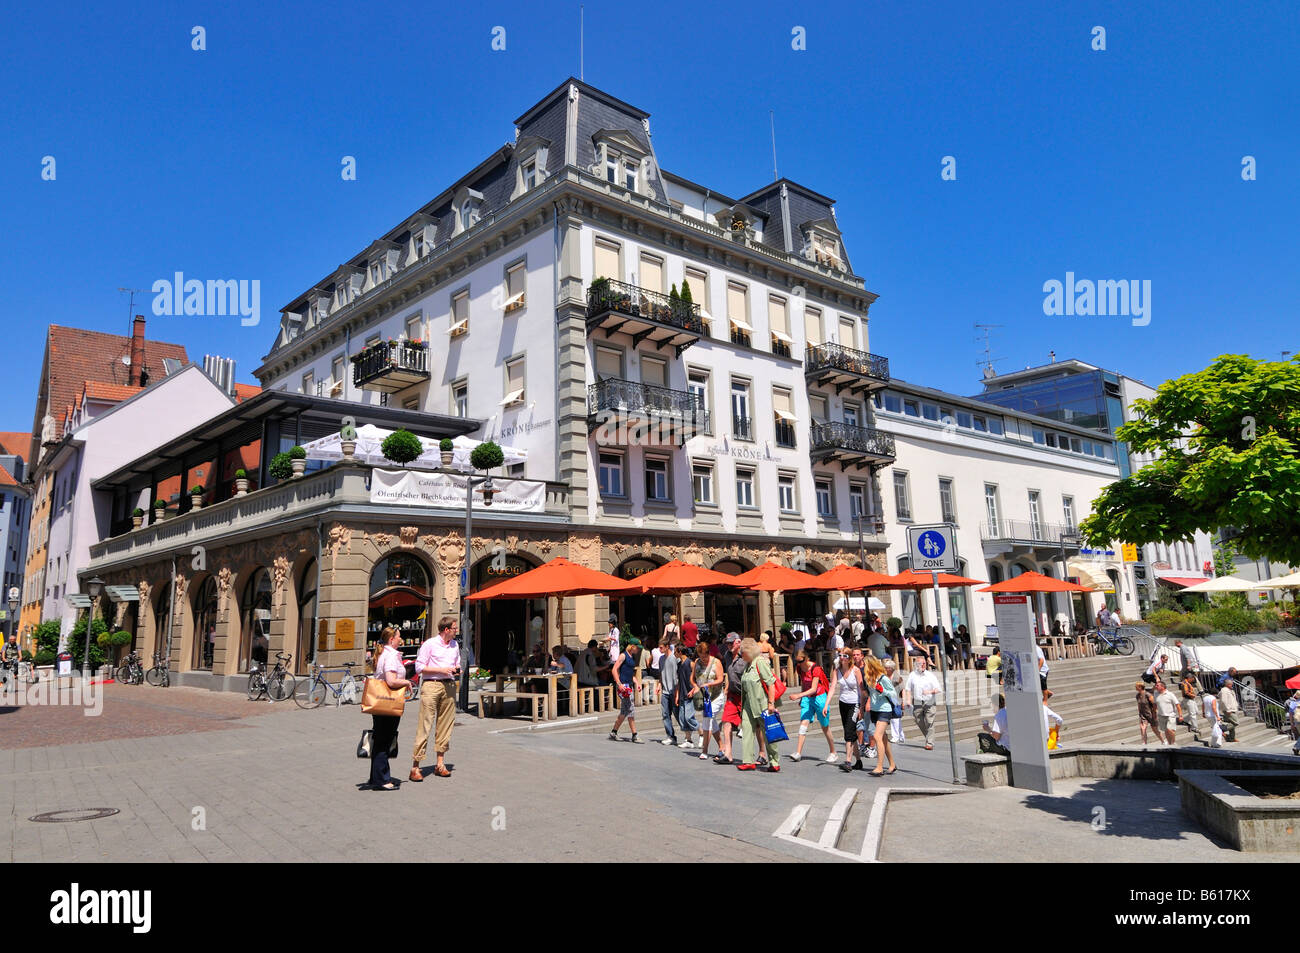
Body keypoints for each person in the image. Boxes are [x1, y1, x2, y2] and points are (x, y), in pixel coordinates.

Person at [410, 617, 460, 782]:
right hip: (432, 685)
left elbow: (457, 663)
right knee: (425, 725)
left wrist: (456, 670)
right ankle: (415, 766)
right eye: (454, 628)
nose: (456, 630)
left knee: (445, 726)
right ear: (446, 629)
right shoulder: (430, 644)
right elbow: (419, 667)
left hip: (449, 686)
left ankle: (440, 764)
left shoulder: (455, 645)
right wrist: (441, 669)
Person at [367, 627, 411, 791]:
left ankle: (375, 777)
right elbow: (391, 681)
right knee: (384, 740)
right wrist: (407, 682)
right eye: (399, 637)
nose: (401, 639)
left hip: (381, 703)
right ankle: (382, 780)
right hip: (388, 703)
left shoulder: (385, 654)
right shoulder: (391, 656)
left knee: (380, 739)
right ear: (392, 639)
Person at [736, 638, 780, 772]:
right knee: (747, 732)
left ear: (749, 651)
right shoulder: (748, 664)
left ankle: (774, 761)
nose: (740, 655)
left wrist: (771, 704)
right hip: (748, 705)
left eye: (742, 652)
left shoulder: (759, 662)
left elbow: (771, 683)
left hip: (762, 704)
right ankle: (748, 760)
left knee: (768, 733)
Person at [788, 651, 836, 763]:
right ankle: (798, 752)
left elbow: (813, 688)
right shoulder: (800, 669)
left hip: (819, 697)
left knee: (825, 726)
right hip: (807, 698)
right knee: (803, 723)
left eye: (801, 661)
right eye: (797, 661)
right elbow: (804, 684)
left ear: (806, 658)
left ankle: (833, 751)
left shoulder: (816, 668)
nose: (799, 663)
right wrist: (801, 698)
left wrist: (798, 695)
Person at [863, 656, 899, 776]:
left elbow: (893, 693)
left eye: (865, 665)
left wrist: (882, 690)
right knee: (883, 738)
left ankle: (879, 767)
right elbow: (870, 694)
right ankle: (892, 764)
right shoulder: (869, 678)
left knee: (877, 736)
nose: (863, 667)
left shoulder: (883, 678)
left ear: (870, 665)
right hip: (874, 710)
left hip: (885, 709)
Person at [713, 634, 746, 765]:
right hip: (733, 695)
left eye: (732, 643)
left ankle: (762, 753)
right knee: (726, 721)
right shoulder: (727, 655)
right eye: (727, 643)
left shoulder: (746, 655)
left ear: (739, 642)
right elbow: (730, 674)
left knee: (756, 726)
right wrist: (727, 687)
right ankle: (728, 754)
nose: (729, 646)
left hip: (746, 695)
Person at [690, 641, 724, 760]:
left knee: (707, 718)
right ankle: (721, 747)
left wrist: (710, 683)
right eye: (700, 656)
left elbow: (720, 678)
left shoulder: (716, 662)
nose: (702, 659)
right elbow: (692, 678)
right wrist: (695, 686)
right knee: (711, 721)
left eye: (704, 656)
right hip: (704, 697)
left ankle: (704, 750)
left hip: (716, 696)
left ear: (708, 653)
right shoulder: (697, 662)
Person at [833, 649, 865, 772]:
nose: (842, 657)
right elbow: (832, 688)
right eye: (840, 655)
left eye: (845, 655)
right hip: (843, 703)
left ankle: (848, 761)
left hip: (854, 703)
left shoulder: (856, 671)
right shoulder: (837, 671)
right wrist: (826, 705)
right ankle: (858, 761)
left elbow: (862, 691)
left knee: (848, 731)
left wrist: (861, 708)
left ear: (849, 657)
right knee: (851, 733)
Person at [902, 656, 942, 750]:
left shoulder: (930, 675)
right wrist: (907, 700)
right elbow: (908, 689)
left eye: (924, 663)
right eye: (921, 663)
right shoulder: (912, 675)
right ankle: (929, 737)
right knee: (918, 720)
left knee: (929, 721)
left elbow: (938, 689)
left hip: (929, 701)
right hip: (917, 701)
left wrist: (930, 692)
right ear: (916, 665)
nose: (923, 665)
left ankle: (930, 742)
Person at [607, 638, 642, 742]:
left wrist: (636, 682)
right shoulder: (623, 655)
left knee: (626, 710)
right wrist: (619, 684)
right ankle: (634, 735)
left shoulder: (631, 657)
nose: (638, 650)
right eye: (637, 648)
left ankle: (614, 732)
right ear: (632, 646)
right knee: (630, 709)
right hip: (623, 686)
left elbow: (629, 673)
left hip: (628, 685)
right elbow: (614, 669)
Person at [671, 644, 699, 748]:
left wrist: (694, 688)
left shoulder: (690, 663)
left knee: (688, 717)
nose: (674, 653)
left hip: (690, 693)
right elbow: (679, 681)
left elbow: (698, 678)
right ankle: (689, 740)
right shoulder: (679, 664)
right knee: (682, 718)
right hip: (682, 693)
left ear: (679, 651)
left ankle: (701, 733)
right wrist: (677, 694)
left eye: (675, 651)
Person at [659, 636, 682, 746]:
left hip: (674, 690)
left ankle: (688, 734)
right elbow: (661, 673)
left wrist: (677, 691)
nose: (660, 650)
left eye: (661, 647)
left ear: (667, 647)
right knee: (665, 714)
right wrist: (659, 684)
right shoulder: (661, 659)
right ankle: (671, 736)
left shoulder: (674, 658)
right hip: (665, 691)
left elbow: (678, 675)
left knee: (677, 714)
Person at [1153, 681, 1183, 746]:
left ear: (1162, 687)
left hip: (1170, 715)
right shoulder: (1155, 694)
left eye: (1157, 685)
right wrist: (1154, 714)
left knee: (1170, 729)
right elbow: (1155, 704)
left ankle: (1173, 742)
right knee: (1166, 730)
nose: (1156, 686)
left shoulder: (1170, 694)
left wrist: (1180, 715)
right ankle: (1170, 744)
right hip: (1161, 715)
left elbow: (1177, 705)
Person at [883, 657, 906, 743]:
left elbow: (903, 689)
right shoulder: (884, 676)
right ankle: (901, 735)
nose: (886, 669)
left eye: (887, 668)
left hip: (896, 700)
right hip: (888, 699)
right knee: (895, 718)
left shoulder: (897, 677)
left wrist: (904, 701)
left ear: (892, 668)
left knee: (895, 718)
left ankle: (895, 736)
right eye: (885, 667)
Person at [1179, 670, 1202, 741]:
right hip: (1188, 699)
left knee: (1196, 712)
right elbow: (1186, 692)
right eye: (1192, 679)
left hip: (1191, 699)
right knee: (1193, 714)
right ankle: (1194, 727)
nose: (1193, 680)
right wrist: (1193, 695)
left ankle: (1185, 720)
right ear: (1189, 678)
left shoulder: (1187, 683)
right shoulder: (1185, 683)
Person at [1135, 680, 1158, 745]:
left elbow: (1154, 704)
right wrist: (1139, 712)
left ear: (1140, 687)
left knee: (1155, 729)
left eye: (1136, 686)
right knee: (1142, 728)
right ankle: (1144, 742)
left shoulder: (1148, 694)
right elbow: (1139, 704)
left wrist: (1154, 713)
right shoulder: (1137, 695)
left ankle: (1163, 741)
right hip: (1143, 714)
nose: (1135, 687)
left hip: (1150, 713)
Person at [1218, 676, 1241, 742]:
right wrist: (1228, 709)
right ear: (1228, 684)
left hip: (1232, 709)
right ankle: (1221, 729)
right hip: (1229, 710)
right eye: (1231, 684)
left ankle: (1231, 738)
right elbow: (1224, 701)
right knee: (1236, 722)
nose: (1232, 685)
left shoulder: (1229, 690)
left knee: (1232, 723)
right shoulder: (1224, 690)